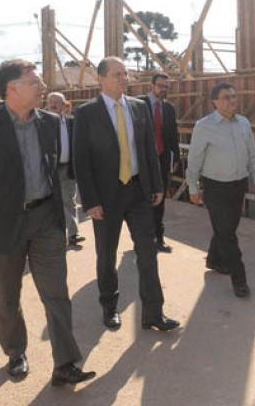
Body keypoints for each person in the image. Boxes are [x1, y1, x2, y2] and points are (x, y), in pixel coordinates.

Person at [0, 59, 95, 387]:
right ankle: (15, 351)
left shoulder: (50, 123)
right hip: (4, 224)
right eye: (34, 82)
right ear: (12, 90)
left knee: (57, 294)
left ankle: (64, 362)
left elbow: (52, 169)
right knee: (8, 295)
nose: (42, 86)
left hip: (46, 219)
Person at [73, 57, 179, 332]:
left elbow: (148, 151)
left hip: (138, 192)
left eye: (126, 74)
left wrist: (156, 185)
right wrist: (90, 201)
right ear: (100, 78)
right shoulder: (86, 113)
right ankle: (110, 307)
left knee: (147, 253)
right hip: (105, 197)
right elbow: (81, 161)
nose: (124, 79)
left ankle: (153, 313)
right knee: (106, 255)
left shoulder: (138, 107)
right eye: (117, 74)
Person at [186, 82, 255, 298]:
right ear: (215, 102)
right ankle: (239, 279)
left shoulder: (244, 123)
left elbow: (252, 153)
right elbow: (194, 159)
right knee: (227, 234)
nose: (232, 101)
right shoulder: (204, 126)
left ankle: (213, 259)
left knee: (226, 229)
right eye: (227, 97)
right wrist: (193, 186)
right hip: (215, 187)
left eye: (234, 97)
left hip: (239, 184)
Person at [138, 73, 180, 253]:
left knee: (160, 199)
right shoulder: (138, 105)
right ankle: (143, 239)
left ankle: (159, 238)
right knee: (142, 199)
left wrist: (176, 156)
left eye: (166, 87)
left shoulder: (169, 108)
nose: (163, 90)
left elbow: (172, 134)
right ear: (152, 85)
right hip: (143, 160)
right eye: (161, 86)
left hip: (162, 159)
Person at [45, 92, 84, 247]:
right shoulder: (43, 123)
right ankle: (54, 236)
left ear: (64, 106)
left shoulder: (72, 122)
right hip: (50, 171)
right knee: (51, 205)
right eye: (51, 102)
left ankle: (73, 234)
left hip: (68, 169)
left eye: (57, 102)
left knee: (70, 202)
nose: (54, 105)